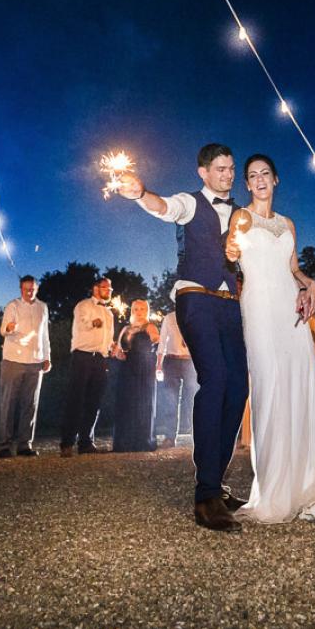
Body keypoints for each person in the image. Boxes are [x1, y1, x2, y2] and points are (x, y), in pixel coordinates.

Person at [224, 154, 315, 524]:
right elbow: (230, 253)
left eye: (265, 174)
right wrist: (230, 249)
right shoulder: (241, 217)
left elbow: (292, 268)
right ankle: (275, 487)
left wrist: (310, 282)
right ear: (247, 183)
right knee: (270, 386)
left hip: (291, 311)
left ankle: (307, 478)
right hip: (259, 309)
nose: (259, 179)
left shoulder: (287, 223)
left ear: (276, 179)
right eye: (252, 175)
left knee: (300, 384)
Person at [114, 143, 252, 532]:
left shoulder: (242, 215)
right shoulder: (190, 203)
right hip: (196, 299)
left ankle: (216, 483)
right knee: (216, 379)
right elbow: (163, 207)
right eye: (220, 169)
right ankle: (205, 496)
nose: (228, 175)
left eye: (231, 168)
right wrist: (141, 193)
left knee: (238, 387)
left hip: (231, 304)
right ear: (203, 172)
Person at [60, 278, 116, 457]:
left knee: (94, 401)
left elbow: (107, 338)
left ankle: (86, 442)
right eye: (105, 287)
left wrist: (113, 347)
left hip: (101, 359)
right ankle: (67, 443)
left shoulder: (109, 313)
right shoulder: (83, 305)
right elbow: (81, 324)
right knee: (75, 400)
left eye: (110, 289)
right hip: (82, 357)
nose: (108, 291)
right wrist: (93, 323)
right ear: (95, 288)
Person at [0, 275, 50, 458]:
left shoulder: (43, 307)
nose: (29, 292)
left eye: (32, 289)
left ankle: (24, 445)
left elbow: (45, 334)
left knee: (30, 405)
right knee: (8, 404)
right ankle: (4, 445)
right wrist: (9, 328)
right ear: (21, 289)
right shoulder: (13, 306)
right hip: (13, 360)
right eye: (26, 289)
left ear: (37, 289)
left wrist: (47, 357)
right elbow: (3, 330)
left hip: (35, 362)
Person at [113, 299, 160, 453]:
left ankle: (143, 442)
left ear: (147, 311)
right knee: (126, 401)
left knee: (143, 402)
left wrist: (156, 345)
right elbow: (118, 350)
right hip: (127, 368)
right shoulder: (125, 328)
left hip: (144, 368)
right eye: (135, 309)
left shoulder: (150, 326)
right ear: (132, 311)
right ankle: (124, 443)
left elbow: (157, 342)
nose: (139, 312)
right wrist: (118, 353)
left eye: (142, 309)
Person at [154, 308, 197, 448]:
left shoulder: (198, 315)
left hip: (191, 361)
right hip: (171, 361)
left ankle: (198, 435)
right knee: (170, 400)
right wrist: (158, 364)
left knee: (194, 399)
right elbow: (162, 341)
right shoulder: (169, 318)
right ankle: (170, 437)